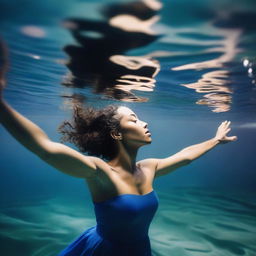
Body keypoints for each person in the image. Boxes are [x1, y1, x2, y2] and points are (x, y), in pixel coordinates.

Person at [0, 42, 237, 256]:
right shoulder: (100, 172)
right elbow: (45, 149)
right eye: (133, 120)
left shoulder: (149, 167)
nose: (144, 123)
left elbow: (184, 157)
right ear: (116, 134)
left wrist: (215, 140)